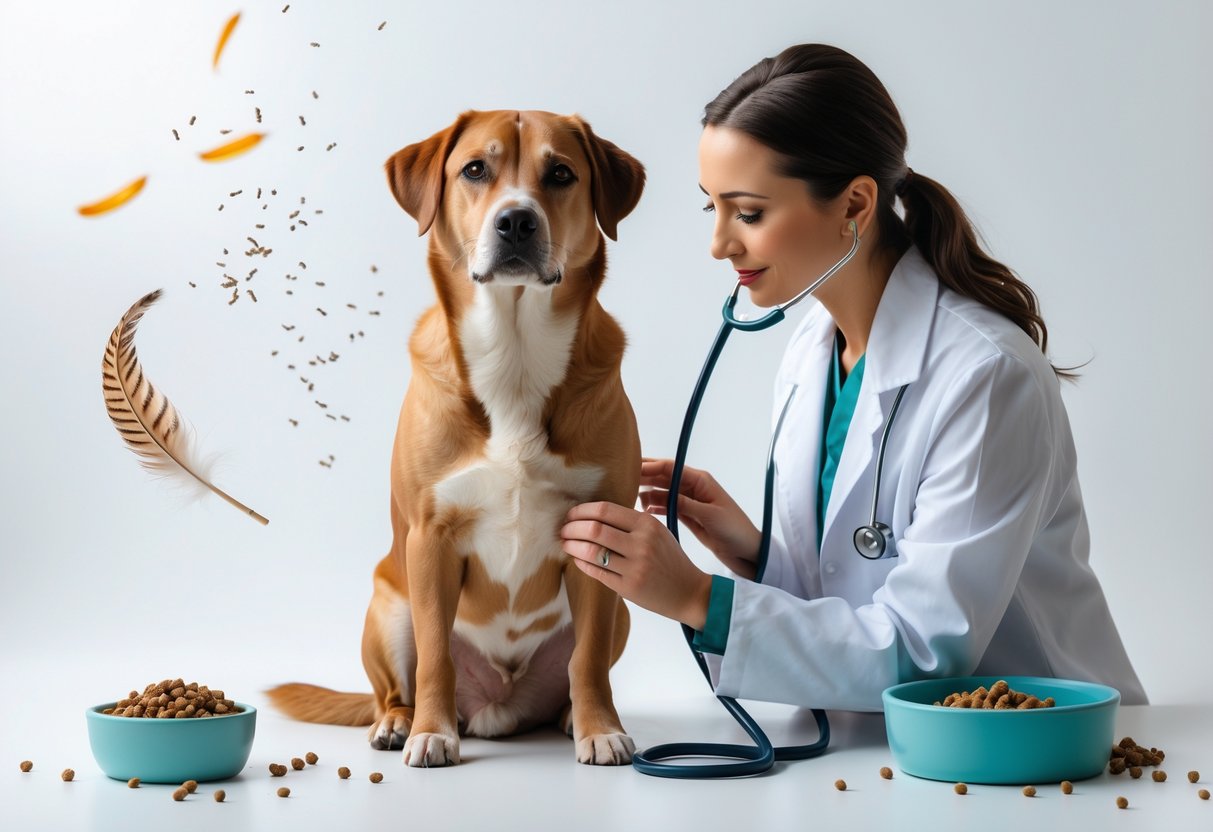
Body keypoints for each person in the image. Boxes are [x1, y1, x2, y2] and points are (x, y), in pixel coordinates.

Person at [559, 43, 1146, 709]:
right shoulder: (813, 347)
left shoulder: (988, 376)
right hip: (890, 749)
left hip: (1041, 740)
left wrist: (696, 596)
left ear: (854, 204)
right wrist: (755, 555)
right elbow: (853, 589)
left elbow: (924, 652)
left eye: (748, 212)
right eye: (710, 208)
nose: (719, 243)